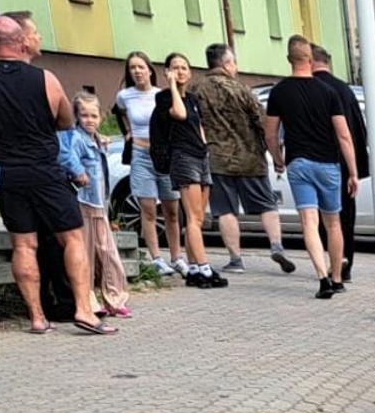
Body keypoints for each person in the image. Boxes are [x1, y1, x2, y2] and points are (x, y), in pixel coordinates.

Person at [0, 15, 112, 335]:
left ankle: (37, 318)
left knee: (24, 245)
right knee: (72, 238)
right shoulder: (46, 79)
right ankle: (83, 310)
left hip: (7, 175)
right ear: (21, 42)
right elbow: (65, 121)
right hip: (46, 171)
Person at [190, 43, 295, 275]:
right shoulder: (242, 89)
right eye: (234, 62)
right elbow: (263, 122)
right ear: (226, 63)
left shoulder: (196, 89)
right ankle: (276, 245)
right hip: (250, 156)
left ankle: (236, 260)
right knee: (266, 204)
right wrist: (276, 156)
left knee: (225, 210)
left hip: (218, 158)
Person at [267, 36, 359, 299]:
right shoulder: (329, 92)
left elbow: (270, 134)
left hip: (298, 163)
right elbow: (344, 136)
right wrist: (353, 172)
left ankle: (322, 278)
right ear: (310, 59)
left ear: (289, 59)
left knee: (309, 221)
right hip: (329, 164)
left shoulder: (279, 92)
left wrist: (278, 158)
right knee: (333, 223)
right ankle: (337, 277)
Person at [149, 52, 226, 288]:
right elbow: (179, 114)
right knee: (192, 217)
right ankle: (204, 268)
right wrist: (172, 85)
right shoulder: (164, 98)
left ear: (190, 72)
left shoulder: (193, 99)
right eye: (175, 67)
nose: (180, 71)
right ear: (167, 72)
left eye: (184, 67)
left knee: (199, 218)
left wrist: (205, 148)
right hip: (183, 157)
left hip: (200, 156)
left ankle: (193, 268)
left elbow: (198, 125)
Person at [57, 92, 131, 318]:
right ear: (77, 116)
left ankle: (115, 297)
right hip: (85, 202)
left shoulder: (95, 138)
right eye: (84, 115)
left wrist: (101, 139)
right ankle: (88, 299)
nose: (89, 120)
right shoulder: (76, 138)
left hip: (99, 203)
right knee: (87, 254)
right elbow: (65, 155)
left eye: (94, 116)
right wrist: (79, 172)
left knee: (107, 252)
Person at [113, 51, 182, 277]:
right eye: (132, 68)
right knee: (148, 208)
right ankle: (157, 258)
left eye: (141, 67)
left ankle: (177, 257)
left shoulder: (160, 95)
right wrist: (127, 132)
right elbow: (119, 112)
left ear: (150, 70)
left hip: (162, 154)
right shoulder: (125, 96)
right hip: (140, 154)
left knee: (172, 209)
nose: (137, 71)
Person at [310, 44, 366, 284]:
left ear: (310, 61)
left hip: (318, 159)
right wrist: (357, 169)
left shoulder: (309, 89)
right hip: (344, 161)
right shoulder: (344, 89)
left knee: (320, 217)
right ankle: (345, 263)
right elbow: (357, 130)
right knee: (345, 216)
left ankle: (330, 263)